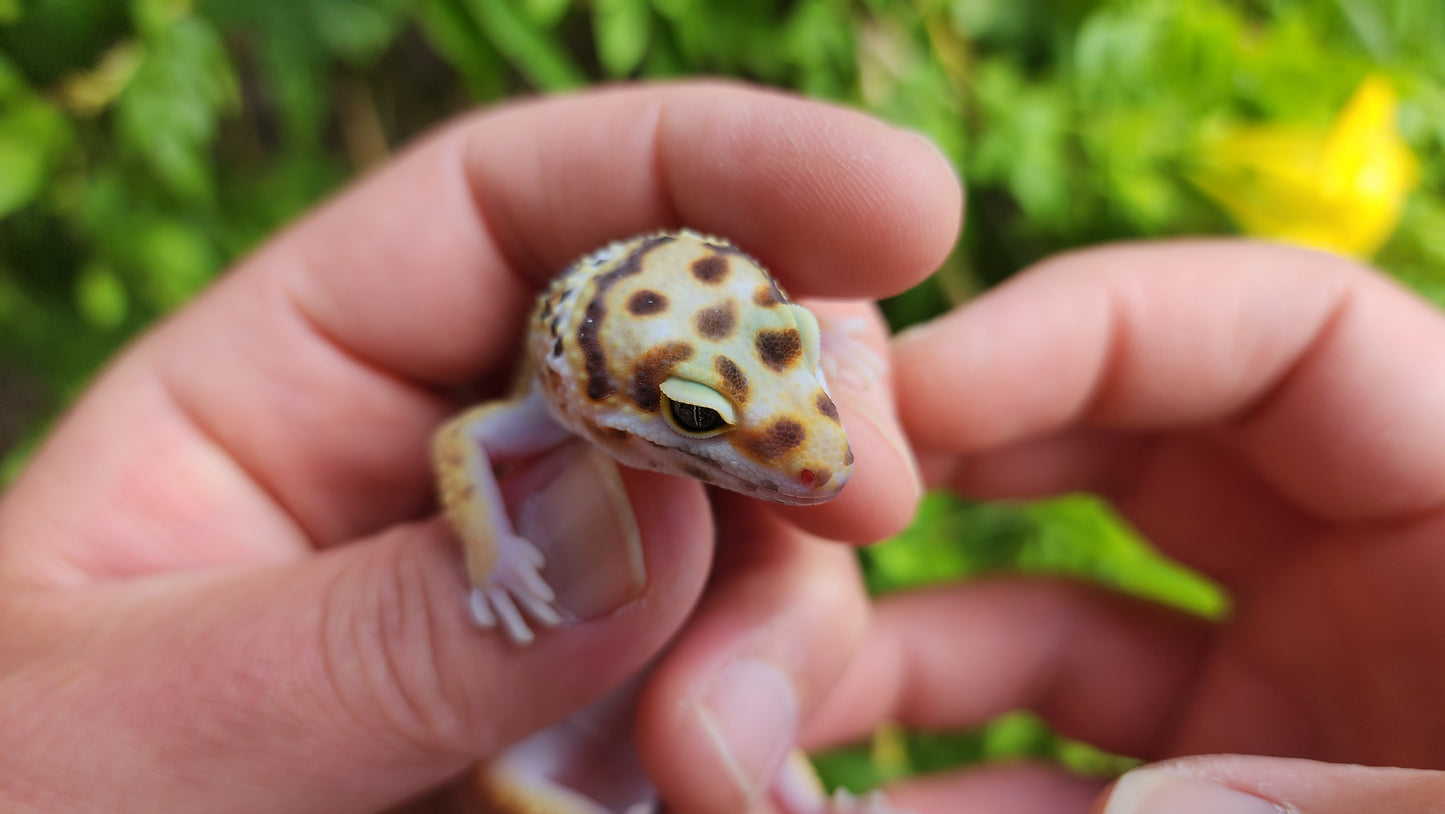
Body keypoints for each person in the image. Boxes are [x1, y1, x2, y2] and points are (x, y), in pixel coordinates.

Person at [0, 82, 1439, 814]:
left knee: (726, 679)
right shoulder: (542, 411)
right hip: (528, 756)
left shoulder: (691, 391)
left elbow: (782, 403)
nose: (811, 459)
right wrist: (487, 566)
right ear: (598, 403)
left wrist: (799, 378)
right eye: (698, 422)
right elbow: (465, 452)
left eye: (795, 354)